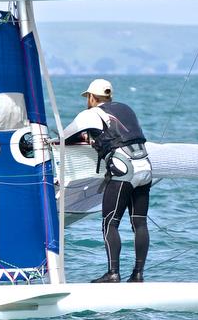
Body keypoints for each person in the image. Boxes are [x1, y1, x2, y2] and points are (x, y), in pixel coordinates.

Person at [63, 79, 151, 283]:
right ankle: (138, 275)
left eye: (88, 98)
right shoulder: (126, 108)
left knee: (110, 223)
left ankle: (113, 273)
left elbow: (65, 137)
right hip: (145, 166)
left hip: (123, 168)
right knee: (139, 222)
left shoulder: (90, 114)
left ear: (92, 97)